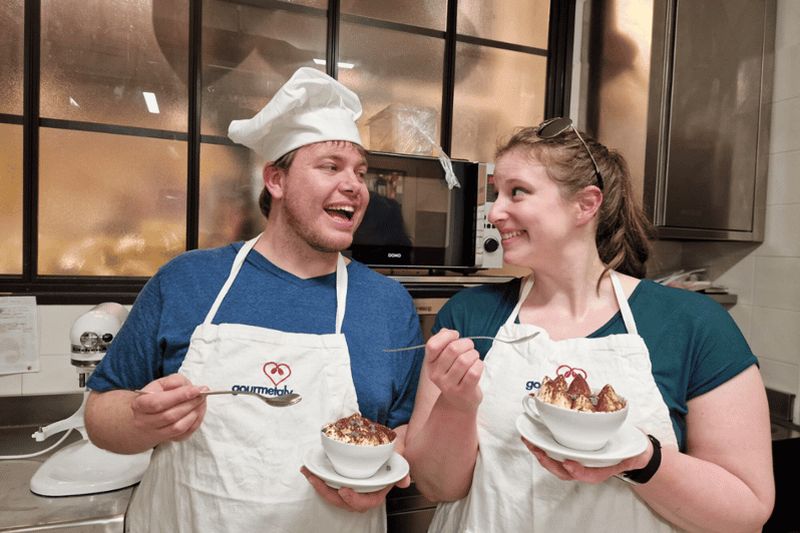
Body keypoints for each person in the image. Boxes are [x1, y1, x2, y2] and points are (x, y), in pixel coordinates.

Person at [84, 67, 424, 533]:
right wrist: (142, 420)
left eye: (361, 173)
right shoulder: (188, 280)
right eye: (331, 166)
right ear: (276, 181)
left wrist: (380, 479)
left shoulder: (387, 304)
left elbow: (401, 432)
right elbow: (101, 416)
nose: (356, 186)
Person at [403, 118, 775, 532]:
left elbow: (745, 511)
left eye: (517, 192)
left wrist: (641, 459)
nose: (496, 212)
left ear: (586, 204)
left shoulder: (693, 324)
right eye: (496, 194)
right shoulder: (469, 316)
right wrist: (456, 405)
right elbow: (437, 487)